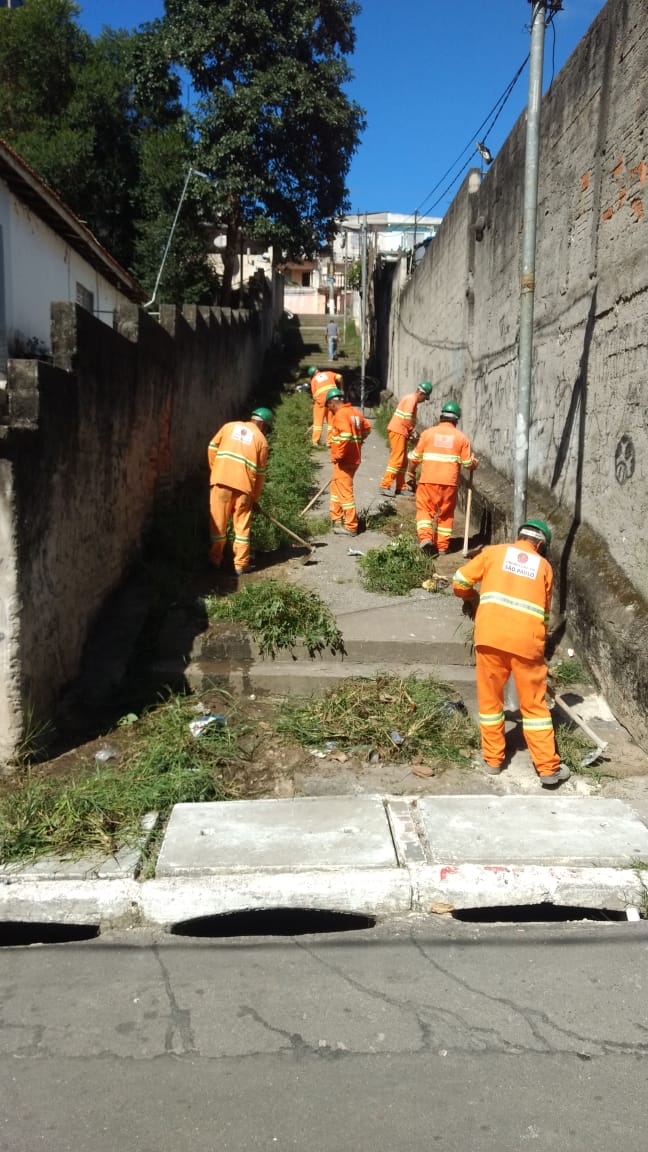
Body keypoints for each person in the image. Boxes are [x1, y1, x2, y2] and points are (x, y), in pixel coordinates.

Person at [452, 518, 571, 788]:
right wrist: (538, 653)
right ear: (540, 544)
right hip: (527, 645)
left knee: (491, 702)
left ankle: (493, 760)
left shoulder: (493, 553)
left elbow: (459, 580)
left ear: (519, 537)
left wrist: (471, 597)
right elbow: (544, 615)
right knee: (535, 708)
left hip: (490, 638)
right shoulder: (544, 567)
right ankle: (547, 769)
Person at [406, 400, 477, 557]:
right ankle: (442, 547)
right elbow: (467, 463)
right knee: (445, 514)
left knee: (424, 511)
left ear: (441, 417)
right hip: (449, 483)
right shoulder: (461, 438)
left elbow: (415, 458)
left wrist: (410, 473)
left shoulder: (427, 434)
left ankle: (425, 539)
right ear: (456, 420)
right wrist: (474, 463)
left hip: (428, 481)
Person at [207, 407, 272, 575]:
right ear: (263, 425)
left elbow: (212, 447)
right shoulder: (262, 441)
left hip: (220, 482)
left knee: (218, 523)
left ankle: (215, 560)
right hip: (244, 488)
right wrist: (255, 499)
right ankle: (240, 565)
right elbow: (260, 475)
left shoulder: (229, 427)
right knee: (242, 527)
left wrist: (216, 469)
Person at [325, 387, 371, 536]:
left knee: (345, 493)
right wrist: (358, 443)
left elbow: (345, 435)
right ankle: (336, 518)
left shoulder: (340, 414)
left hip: (344, 460)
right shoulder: (355, 413)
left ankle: (351, 526)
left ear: (332, 403)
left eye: (328, 406)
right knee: (336, 487)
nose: (329, 410)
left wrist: (338, 454)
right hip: (353, 458)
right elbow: (367, 429)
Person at [379, 380, 433, 497]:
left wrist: (410, 433)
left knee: (403, 461)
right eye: (425, 398)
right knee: (397, 459)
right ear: (422, 394)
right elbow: (406, 419)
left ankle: (400, 486)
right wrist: (412, 432)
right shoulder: (411, 400)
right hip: (398, 430)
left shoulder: (411, 399)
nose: (424, 400)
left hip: (401, 431)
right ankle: (385, 485)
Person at [307, 366, 343, 447]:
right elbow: (340, 377)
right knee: (331, 422)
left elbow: (315, 396)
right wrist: (341, 389)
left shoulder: (313, 380)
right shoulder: (329, 373)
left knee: (318, 422)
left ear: (312, 375)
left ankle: (315, 441)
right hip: (332, 400)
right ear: (317, 370)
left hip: (321, 402)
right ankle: (329, 442)